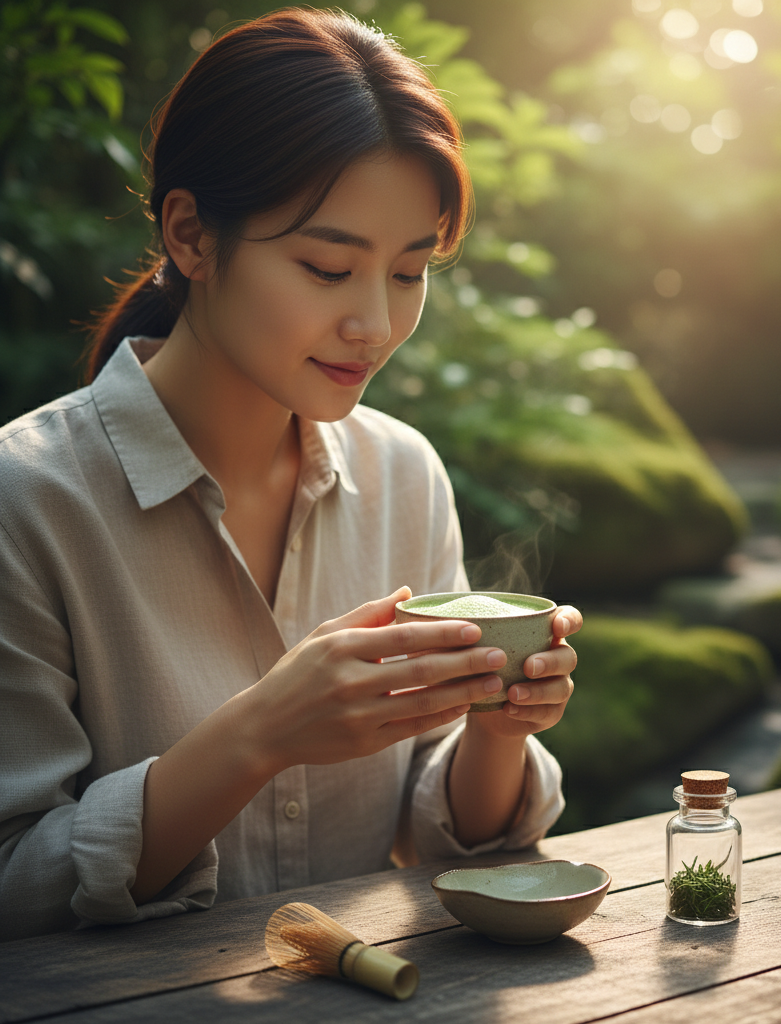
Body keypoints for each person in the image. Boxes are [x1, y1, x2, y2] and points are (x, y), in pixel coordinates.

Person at [0, 8, 579, 941]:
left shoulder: (402, 474)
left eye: (408, 273)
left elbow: (450, 839)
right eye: (326, 267)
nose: (375, 326)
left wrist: (498, 727)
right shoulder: (27, 500)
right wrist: (257, 735)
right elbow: (13, 882)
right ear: (191, 235)